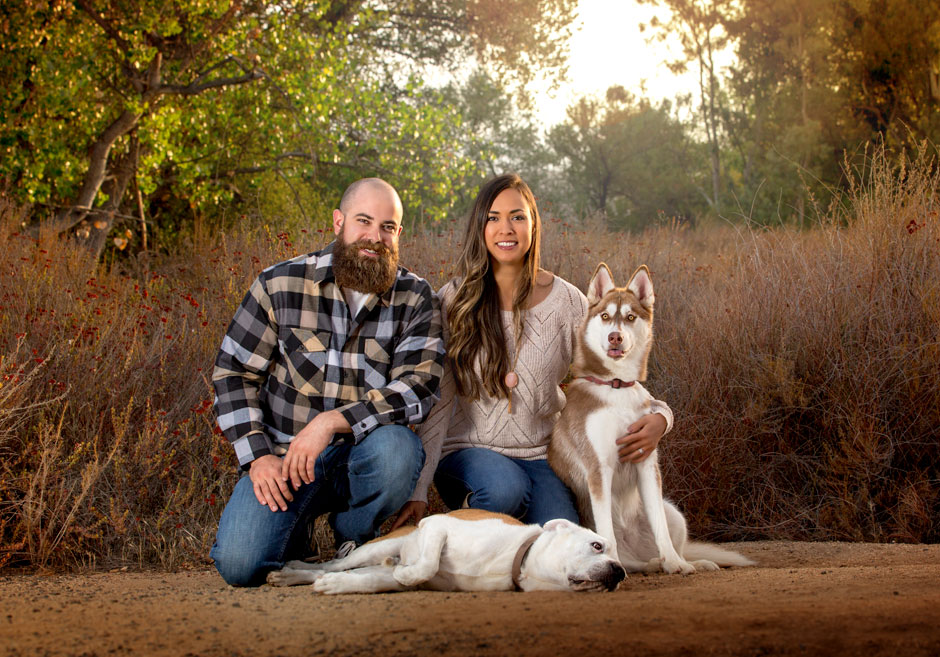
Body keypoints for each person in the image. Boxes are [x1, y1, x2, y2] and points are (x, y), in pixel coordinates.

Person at [391, 173, 673, 529]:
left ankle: (512, 545)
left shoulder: (568, 301)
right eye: (493, 218)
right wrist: (418, 490)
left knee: (565, 537)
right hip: (467, 455)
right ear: (480, 226)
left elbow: (611, 373)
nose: (505, 228)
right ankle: (471, 537)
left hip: (542, 458)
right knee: (504, 490)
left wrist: (662, 417)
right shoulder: (453, 300)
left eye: (517, 216)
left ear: (533, 224)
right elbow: (440, 400)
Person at [210, 178, 445, 587]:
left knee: (399, 450)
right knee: (239, 566)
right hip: (284, 461)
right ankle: (293, 530)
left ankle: (352, 536)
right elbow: (234, 373)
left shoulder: (416, 297)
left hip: (363, 460)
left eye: (388, 227)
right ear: (339, 222)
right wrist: (257, 456)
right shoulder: (279, 285)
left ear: (399, 233)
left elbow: (418, 386)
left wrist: (331, 421)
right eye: (364, 222)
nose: (375, 237)